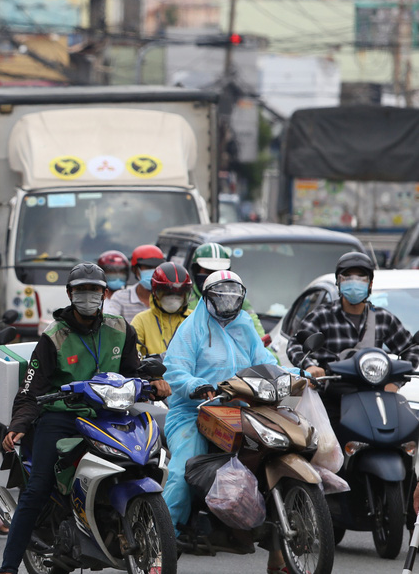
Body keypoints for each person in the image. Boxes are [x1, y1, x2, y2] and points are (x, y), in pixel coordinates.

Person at [0, 262, 170, 574]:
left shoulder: (121, 329)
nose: (88, 296)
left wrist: (153, 384)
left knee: (149, 457)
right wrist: (19, 425)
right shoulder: (53, 337)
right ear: (69, 294)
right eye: (81, 290)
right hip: (62, 417)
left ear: (104, 294)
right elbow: (30, 390)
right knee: (37, 487)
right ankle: (8, 566)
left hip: (110, 414)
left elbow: (133, 371)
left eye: (94, 290)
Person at [161, 270, 294, 572]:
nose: (227, 302)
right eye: (220, 295)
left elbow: (267, 362)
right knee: (183, 473)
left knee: (271, 462)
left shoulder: (245, 326)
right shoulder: (191, 328)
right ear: (206, 298)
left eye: (233, 295)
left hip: (242, 411)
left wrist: (297, 374)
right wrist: (195, 384)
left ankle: (279, 556)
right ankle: (164, 539)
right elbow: (174, 371)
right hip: (194, 413)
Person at [288, 251, 419, 415]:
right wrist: (310, 366)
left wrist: (395, 384)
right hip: (330, 400)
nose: (354, 283)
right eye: (347, 277)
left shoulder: (382, 318)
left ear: (370, 284)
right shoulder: (322, 315)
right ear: (338, 282)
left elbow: (411, 349)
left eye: (361, 278)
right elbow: (295, 345)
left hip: (373, 400)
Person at [186, 242, 267, 338]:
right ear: (196, 271)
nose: (215, 276)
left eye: (219, 272)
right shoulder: (184, 299)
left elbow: (256, 332)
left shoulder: (237, 300)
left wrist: (266, 350)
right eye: (208, 271)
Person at [131, 261, 192, 356]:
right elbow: (132, 354)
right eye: (168, 293)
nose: (173, 298)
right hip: (153, 371)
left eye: (179, 294)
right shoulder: (141, 320)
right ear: (155, 292)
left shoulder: (194, 319)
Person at [104, 244, 164, 324]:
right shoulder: (120, 298)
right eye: (148, 267)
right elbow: (110, 324)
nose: (153, 271)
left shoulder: (165, 298)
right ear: (135, 269)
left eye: (156, 267)